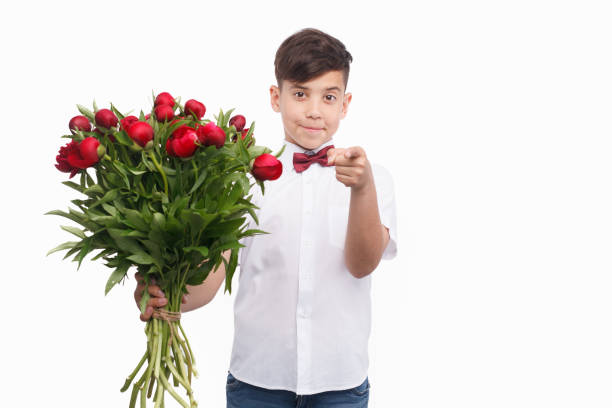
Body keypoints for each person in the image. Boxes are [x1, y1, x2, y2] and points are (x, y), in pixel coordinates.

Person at [135, 27, 398, 408]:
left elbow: (361, 265)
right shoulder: (240, 177)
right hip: (257, 381)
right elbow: (213, 275)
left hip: (339, 382)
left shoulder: (374, 179)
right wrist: (170, 297)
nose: (313, 110)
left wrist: (362, 189)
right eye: (300, 93)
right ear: (276, 97)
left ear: (345, 103)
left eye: (328, 97)